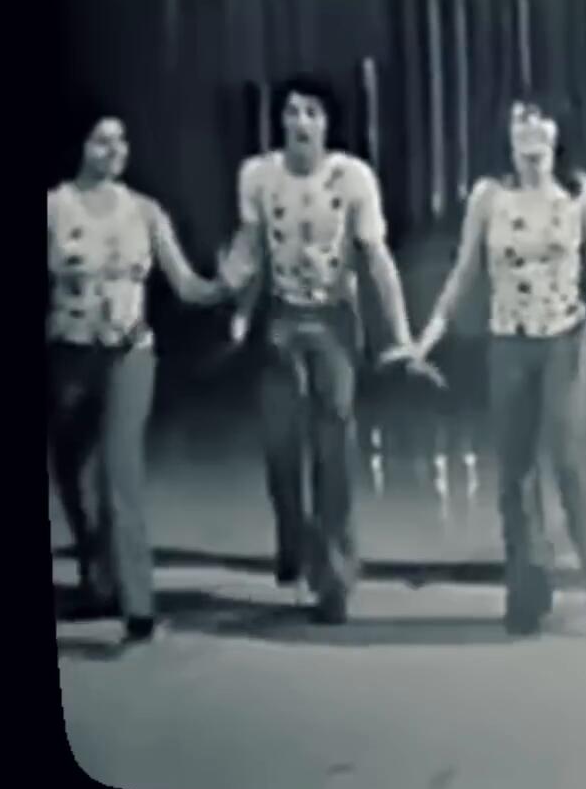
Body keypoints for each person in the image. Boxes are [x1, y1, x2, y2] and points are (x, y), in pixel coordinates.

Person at [403, 98, 586, 637]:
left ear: (559, 132)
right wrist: (425, 340)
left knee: (570, 460)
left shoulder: (579, 195)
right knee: (515, 475)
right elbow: (463, 275)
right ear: (507, 135)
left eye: (541, 120)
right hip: (508, 346)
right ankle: (527, 592)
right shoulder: (488, 198)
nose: (531, 130)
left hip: (565, 342)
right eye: (520, 120)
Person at [220, 74, 423, 625]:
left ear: (328, 123)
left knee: (333, 448)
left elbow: (376, 258)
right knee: (281, 446)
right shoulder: (258, 176)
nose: (300, 122)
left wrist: (401, 333)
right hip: (280, 320)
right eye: (291, 112)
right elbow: (252, 250)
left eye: (311, 112)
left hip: (334, 321)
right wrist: (238, 311)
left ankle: (334, 576)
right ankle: (294, 536)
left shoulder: (352, 178)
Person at [47, 109, 231, 644]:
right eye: (102, 141)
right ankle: (98, 578)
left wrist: (227, 284)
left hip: (130, 353)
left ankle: (138, 604)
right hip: (69, 355)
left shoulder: (145, 212)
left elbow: (187, 285)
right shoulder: (54, 208)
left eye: (121, 140)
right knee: (72, 474)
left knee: (118, 474)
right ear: (80, 147)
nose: (115, 150)